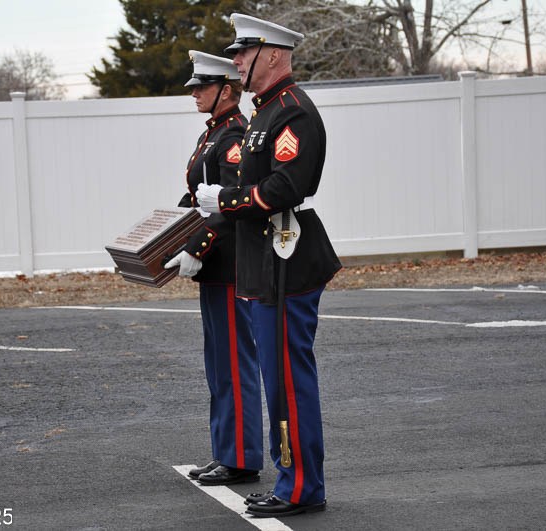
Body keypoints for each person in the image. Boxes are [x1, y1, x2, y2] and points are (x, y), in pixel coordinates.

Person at [196, 14, 341, 518]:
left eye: (244, 52)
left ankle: (300, 486)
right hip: (265, 259)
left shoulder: (292, 111)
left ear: (273, 55)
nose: (236, 61)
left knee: (288, 381)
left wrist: (225, 200)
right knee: (277, 379)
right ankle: (293, 480)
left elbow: (286, 186)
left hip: (287, 258)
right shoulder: (266, 112)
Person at [165, 51, 263, 486]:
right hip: (215, 267)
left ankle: (241, 458)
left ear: (227, 90)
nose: (194, 93)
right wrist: (166, 235)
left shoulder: (234, 135)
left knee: (233, 364)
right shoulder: (214, 134)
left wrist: (197, 246)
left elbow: (230, 204)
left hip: (229, 264)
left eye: (202, 86)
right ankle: (227, 451)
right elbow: (197, 199)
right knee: (219, 364)